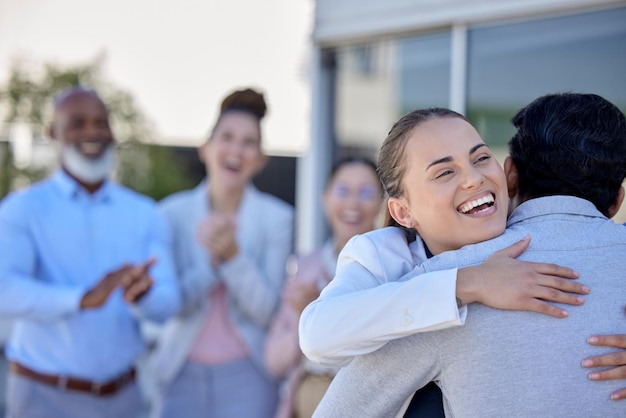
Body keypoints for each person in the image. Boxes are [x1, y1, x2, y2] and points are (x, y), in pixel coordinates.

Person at [312, 92, 626, 417]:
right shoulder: (382, 255)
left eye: (480, 158)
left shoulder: (466, 259)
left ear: (510, 176)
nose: (474, 179)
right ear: (402, 212)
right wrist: (466, 283)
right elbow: (317, 334)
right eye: (444, 172)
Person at [0, 86, 181, 418]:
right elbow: (5, 291)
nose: (92, 131)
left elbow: (168, 304)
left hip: (123, 398)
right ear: (53, 133)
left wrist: (141, 298)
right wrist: (83, 297)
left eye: (101, 122)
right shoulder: (22, 209)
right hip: (43, 397)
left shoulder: (144, 213)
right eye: (77, 122)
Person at [148, 87, 294, 418]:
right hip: (180, 370)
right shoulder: (170, 214)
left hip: (250, 373)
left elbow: (269, 312)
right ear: (206, 148)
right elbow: (172, 306)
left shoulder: (278, 219)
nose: (236, 150)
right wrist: (212, 264)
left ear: (260, 159)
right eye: (227, 137)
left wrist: (233, 257)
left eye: (248, 142)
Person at [264, 156, 384, 418]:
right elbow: (275, 361)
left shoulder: (391, 266)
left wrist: (321, 310)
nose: (352, 202)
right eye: (343, 191)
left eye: (365, 192)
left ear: (380, 202)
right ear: (325, 198)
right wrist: (302, 315)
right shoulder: (305, 266)